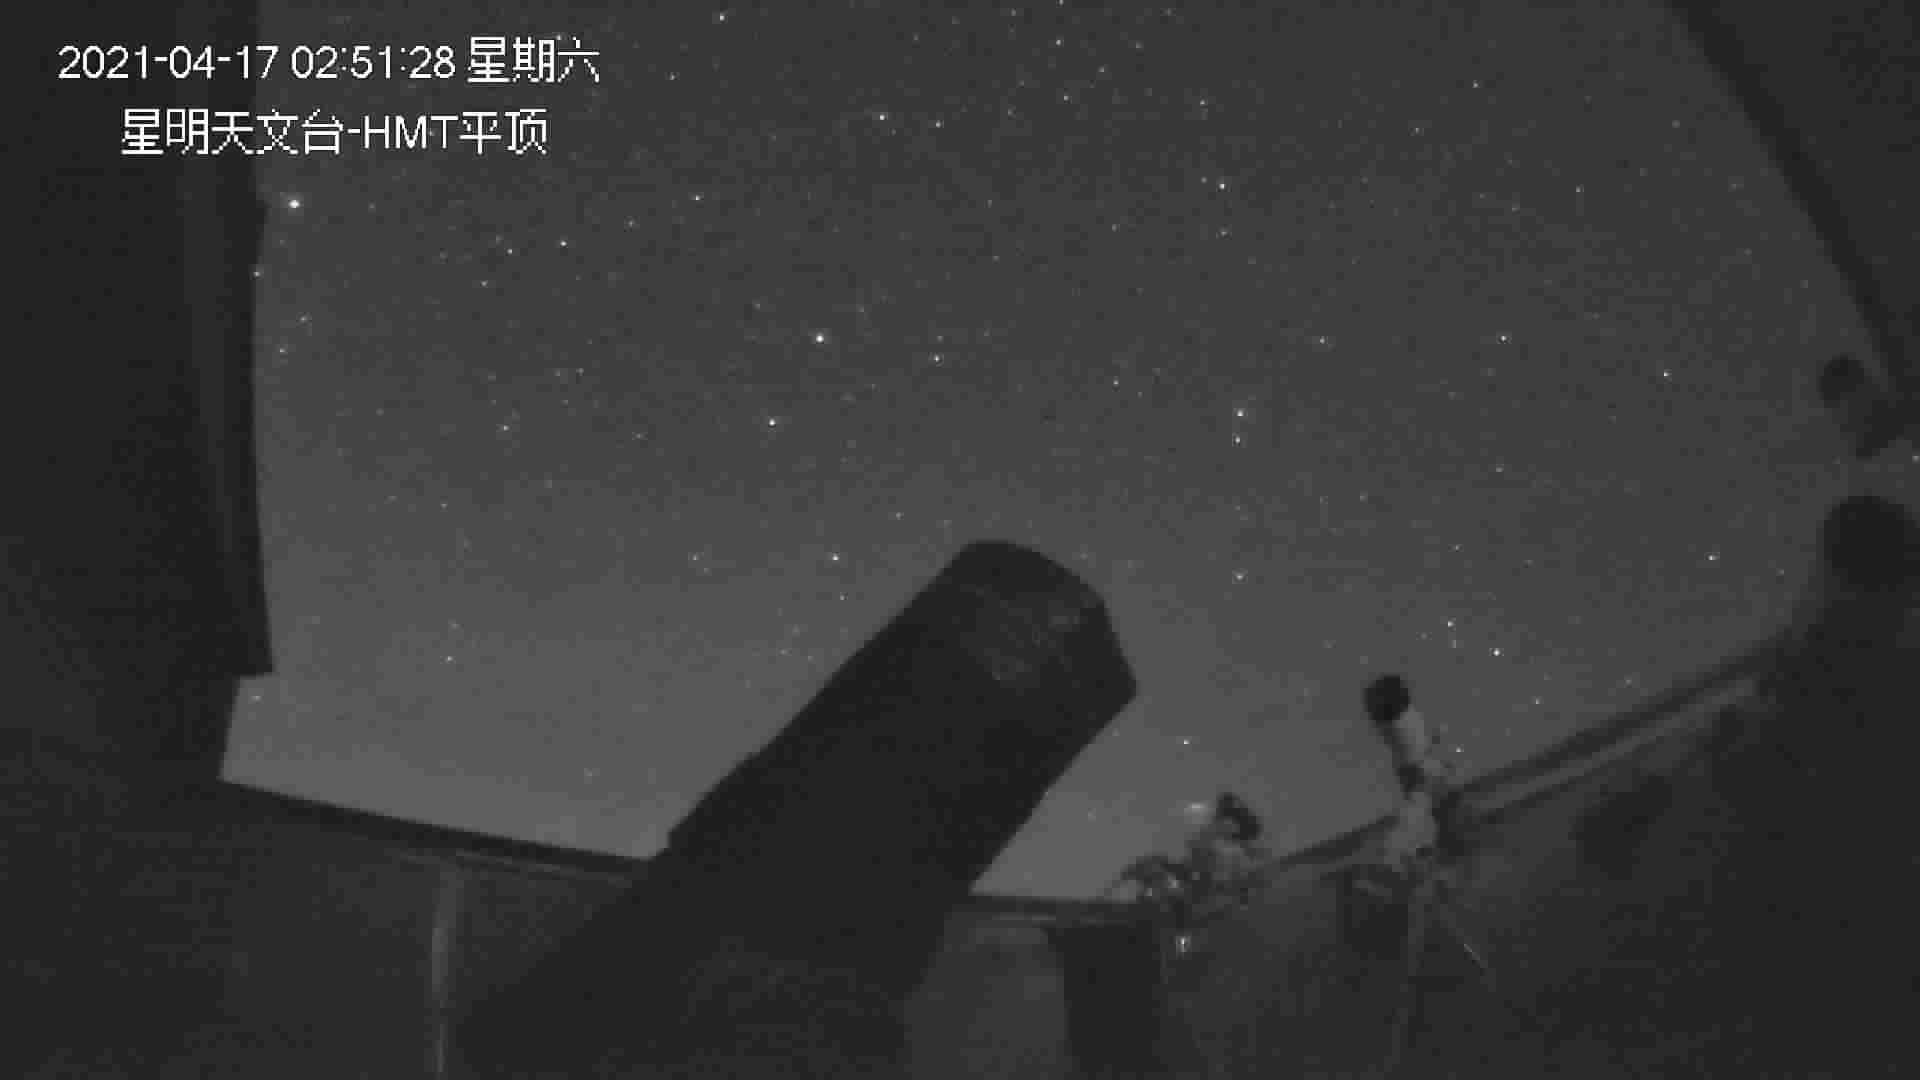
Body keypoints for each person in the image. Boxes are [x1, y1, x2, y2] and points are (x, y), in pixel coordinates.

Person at [1364, 675, 1468, 871]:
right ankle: (1396, 857)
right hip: (1418, 766)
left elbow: (1410, 740)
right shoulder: (1406, 726)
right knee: (1431, 810)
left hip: (1415, 766)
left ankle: (1400, 856)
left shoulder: (1404, 727)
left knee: (1432, 811)